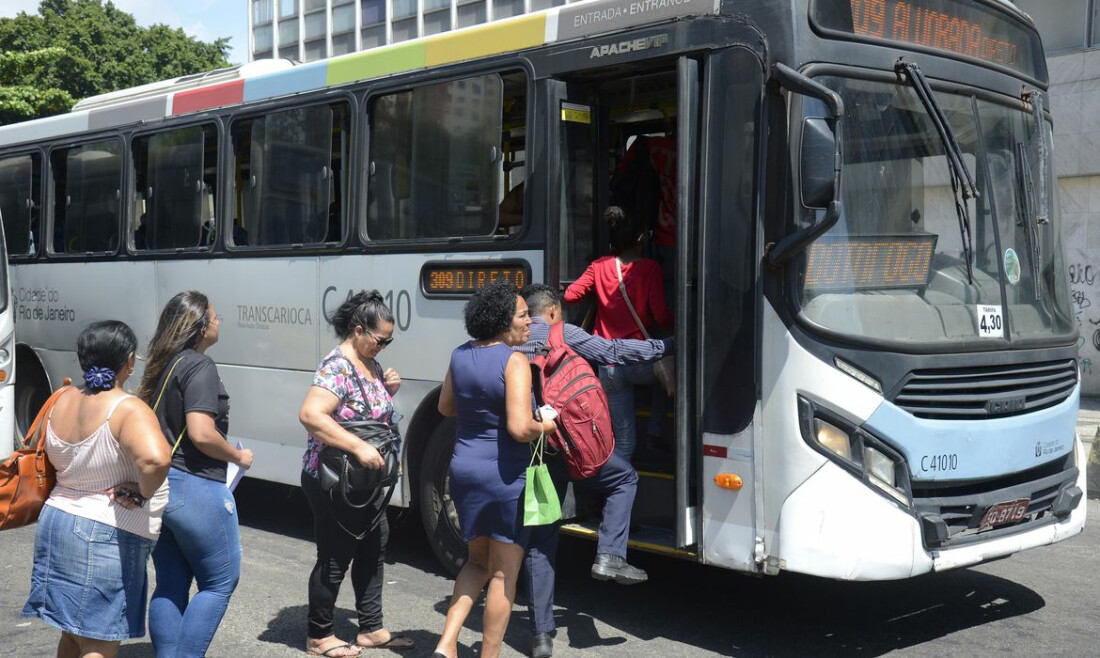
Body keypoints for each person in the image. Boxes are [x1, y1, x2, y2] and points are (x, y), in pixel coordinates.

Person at [518, 283, 672, 657]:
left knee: (541, 541)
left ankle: (541, 637)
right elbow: (614, 352)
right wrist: (666, 345)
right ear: (552, 311)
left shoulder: (513, 343)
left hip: (538, 452)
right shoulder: (562, 333)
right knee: (624, 478)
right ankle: (610, 555)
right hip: (578, 446)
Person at [22, 321, 172, 658]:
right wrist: (142, 492)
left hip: (57, 521)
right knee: (99, 642)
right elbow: (157, 459)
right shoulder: (127, 408)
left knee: (73, 634)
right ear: (129, 360)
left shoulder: (61, 398)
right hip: (103, 531)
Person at [432, 281, 557, 658]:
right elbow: (520, 429)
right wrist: (545, 425)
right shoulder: (513, 361)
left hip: (464, 470)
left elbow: (445, 407)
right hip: (503, 477)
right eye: (523, 316)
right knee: (503, 574)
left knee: (476, 561)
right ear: (502, 322)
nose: (529, 322)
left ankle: (446, 644)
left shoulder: (459, 354)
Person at [298, 290, 414, 657]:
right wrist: (358, 447)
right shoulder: (338, 366)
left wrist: (387, 390)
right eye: (381, 340)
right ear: (359, 330)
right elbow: (311, 415)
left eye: (389, 341)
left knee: (373, 545)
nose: (384, 346)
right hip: (335, 480)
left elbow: (362, 411)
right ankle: (319, 635)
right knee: (335, 555)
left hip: (365, 481)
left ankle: (371, 628)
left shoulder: (370, 363)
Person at [139, 290, 253, 658]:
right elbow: (202, 433)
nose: (220, 323)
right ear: (201, 327)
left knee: (170, 585)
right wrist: (238, 455)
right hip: (195, 486)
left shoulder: (163, 365)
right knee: (219, 583)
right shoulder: (200, 366)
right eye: (216, 318)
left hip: (161, 488)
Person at [564, 206, 673, 461]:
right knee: (668, 375)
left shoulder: (599, 266)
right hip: (640, 361)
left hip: (608, 364)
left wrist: (599, 292)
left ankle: (621, 480)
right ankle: (655, 430)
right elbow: (660, 315)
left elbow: (570, 296)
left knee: (624, 440)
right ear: (641, 239)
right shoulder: (650, 268)